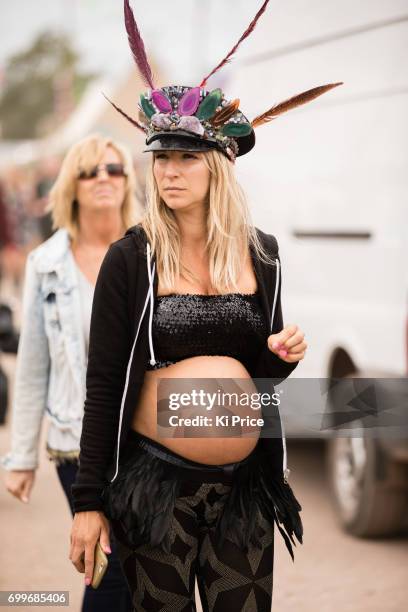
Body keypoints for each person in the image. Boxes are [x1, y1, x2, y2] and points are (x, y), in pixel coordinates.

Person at [70, 2, 342, 610]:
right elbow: (104, 385)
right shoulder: (131, 259)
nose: (169, 171)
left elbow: (262, 384)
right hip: (155, 485)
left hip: (244, 490)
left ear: (219, 164)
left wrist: (282, 358)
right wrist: (89, 503)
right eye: (161, 158)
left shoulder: (263, 255)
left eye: (186, 157)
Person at [1, 133, 139, 611]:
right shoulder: (47, 265)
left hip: (146, 437)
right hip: (76, 443)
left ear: (128, 180)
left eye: (113, 168)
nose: (103, 178)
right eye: (89, 170)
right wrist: (21, 457)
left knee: (137, 566)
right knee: (110, 563)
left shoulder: (154, 252)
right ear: (71, 187)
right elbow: (34, 366)